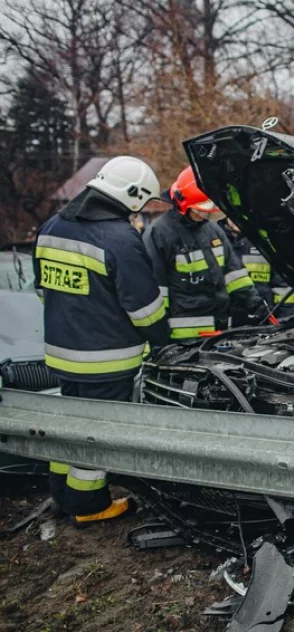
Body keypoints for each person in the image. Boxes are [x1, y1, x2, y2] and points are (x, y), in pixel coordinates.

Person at [33, 156, 169, 524]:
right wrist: (164, 340)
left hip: (61, 355)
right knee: (98, 436)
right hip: (107, 362)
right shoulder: (120, 239)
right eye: (141, 203)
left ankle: (61, 496)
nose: (141, 211)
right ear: (132, 195)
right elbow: (145, 310)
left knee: (71, 428)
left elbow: (44, 290)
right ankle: (89, 507)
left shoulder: (51, 226)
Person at [144, 167, 266, 341]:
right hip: (183, 338)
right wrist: (159, 337)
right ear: (183, 203)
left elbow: (235, 276)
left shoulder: (213, 230)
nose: (204, 216)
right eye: (199, 210)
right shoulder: (159, 235)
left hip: (220, 332)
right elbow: (156, 291)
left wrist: (255, 304)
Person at [222, 219, 294, 325]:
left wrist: (288, 319)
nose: (235, 222)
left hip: (265, 320)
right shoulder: (212, 239)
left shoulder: (261, 240)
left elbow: (282, 286)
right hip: (229, 324)